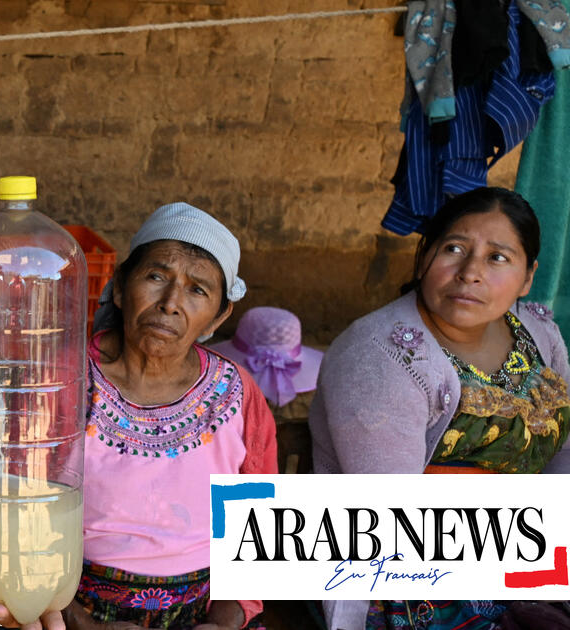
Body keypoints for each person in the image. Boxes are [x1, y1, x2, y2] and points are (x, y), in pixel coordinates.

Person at [309, 187, 570, 630]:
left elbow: (564, 454)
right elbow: (392, 518)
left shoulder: (537, 333)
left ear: (528, 278)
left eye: (498, 258)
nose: (470, 273)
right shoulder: (382, 356)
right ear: (423, 255)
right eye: (454, 249)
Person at [56, 203, 278, 629]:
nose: (171, 303)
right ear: (120, 286)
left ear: (220, 314)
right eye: (157, 277)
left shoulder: (237, 394)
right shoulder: (62, 382)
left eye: (198, 290)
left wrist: (224, 622)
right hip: (69, 613)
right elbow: (17, 520)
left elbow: (255, 538)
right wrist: (83, 623)